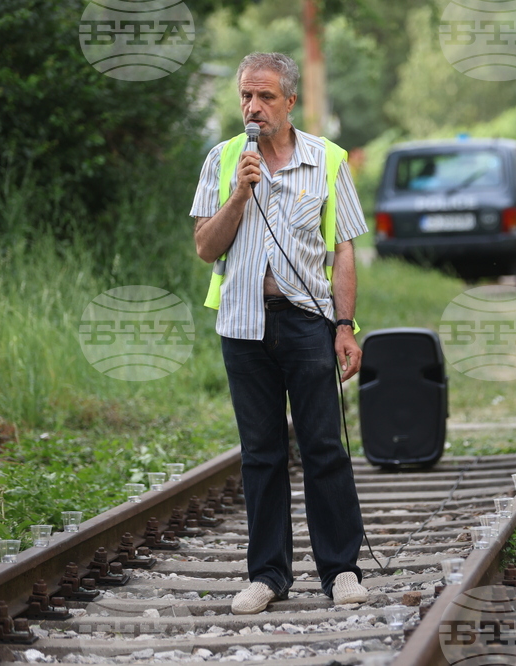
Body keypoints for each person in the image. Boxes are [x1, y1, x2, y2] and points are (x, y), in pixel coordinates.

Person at [190, 52, 369, 614]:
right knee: (260, 454)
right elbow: (204, 247)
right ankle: (267, 574)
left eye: (266, 97)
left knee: (322, 446)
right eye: (246, 95)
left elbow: (343, 250)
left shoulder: (328, 160)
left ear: (290, 101)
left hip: (307, 322)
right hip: (243, 324)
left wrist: (344, 325)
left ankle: (341, 569)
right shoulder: (223, 161)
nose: (253, 107)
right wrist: (240, 195)